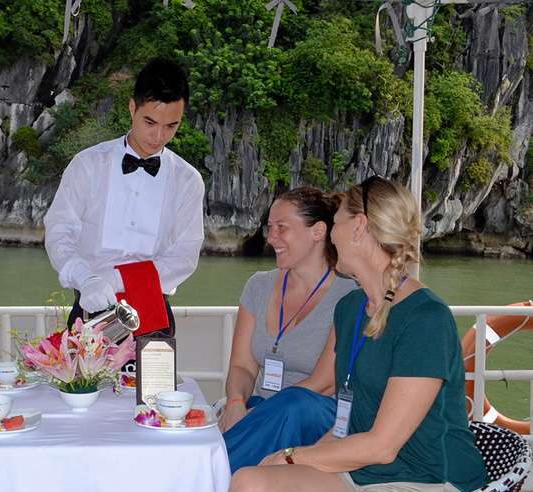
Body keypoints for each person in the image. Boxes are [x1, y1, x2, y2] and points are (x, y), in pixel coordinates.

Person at [230, 177, 488, 492]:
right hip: (363, 469)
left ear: (359, 227)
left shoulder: (425, 319)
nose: (331, 235)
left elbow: (383, 447)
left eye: (336, 223)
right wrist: (290, 459)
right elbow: (344, 422)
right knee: (250, 480)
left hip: (427, 477)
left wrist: (291, 456)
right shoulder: (350, 308)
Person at [43, 57, 205, 337]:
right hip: (92, 302)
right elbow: (59, 233)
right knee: (83, 368)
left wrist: (117, 278)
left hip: (154, 310)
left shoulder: (188, 180)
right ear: (132, 108)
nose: (158, 135)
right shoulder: (87, 164)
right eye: (150, 122)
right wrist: (86, 278)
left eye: (171, 126)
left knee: (154, 369)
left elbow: (185, 255)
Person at [219, 187, 356, 475]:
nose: (271, 238)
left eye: (282, 227)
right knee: (228, 416)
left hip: (318, 415)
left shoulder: (349, 294)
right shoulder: (258, 285)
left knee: (294, 406)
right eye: (269, 227)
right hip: (263, 407)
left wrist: (262, 416)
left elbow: (325, 383)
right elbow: (242, 365)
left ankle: (203, 475)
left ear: (318, 232)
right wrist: (235, 402)